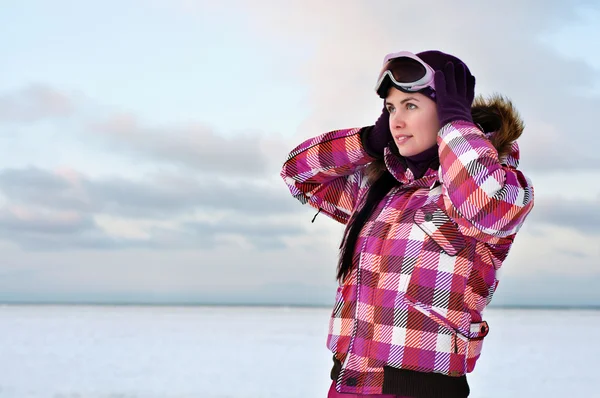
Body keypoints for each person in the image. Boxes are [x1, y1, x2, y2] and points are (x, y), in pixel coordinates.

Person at [280, 50, 534, 398]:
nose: (396, 121)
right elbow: (299, 175)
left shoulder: (502, 187)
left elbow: (483, 202)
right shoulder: (381, 189)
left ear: (448, 109)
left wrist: (456, 126)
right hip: (346, 385)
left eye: (411, 105)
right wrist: (368, 142)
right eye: (390, 108)